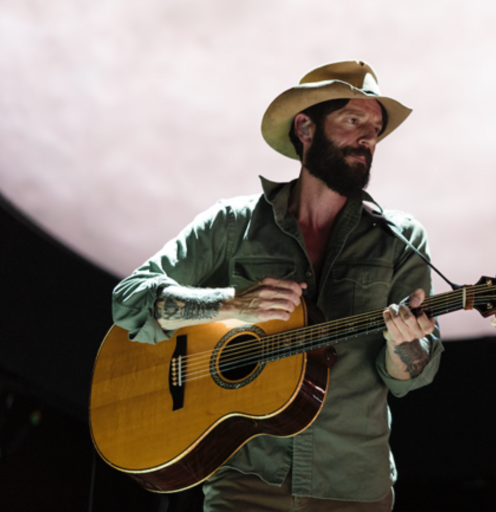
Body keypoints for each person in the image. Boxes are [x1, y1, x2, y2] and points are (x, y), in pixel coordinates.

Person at [111, 60, 443, 511]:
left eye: (376, 127)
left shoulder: (400, 239)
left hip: (352, 482)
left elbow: (407, 379)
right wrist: (230, 304)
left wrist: (408, 347)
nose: (368, 137)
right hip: (246, 478)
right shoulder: (232, 224)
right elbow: (130, 301)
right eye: (353, 120)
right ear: (305, 128)